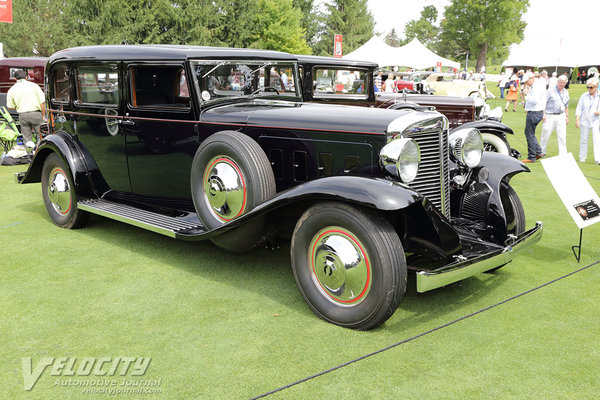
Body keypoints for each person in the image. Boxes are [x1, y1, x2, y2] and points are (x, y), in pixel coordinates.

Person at [6, 70, 46, 149]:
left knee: (27, 139)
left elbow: (10, 107)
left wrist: (20, 105)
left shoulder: (11, 89)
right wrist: (43, 115)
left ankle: (29, 154)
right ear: (27, 77)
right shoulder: (34, 86)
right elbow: (42, 102)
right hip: (36, 114)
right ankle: (39, 153)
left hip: (23, 115)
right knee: (41, 136)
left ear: (15, 78)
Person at [540, 75, 569, 156]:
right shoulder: (550, 91)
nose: (562, 84)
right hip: (550, 115)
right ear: (558, 82)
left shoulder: (566, 92)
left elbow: (566, 105)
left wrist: (567, 116)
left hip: (561, 115)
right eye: (561, 82)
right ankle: (542, 151)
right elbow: (544, 103)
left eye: (564, 83)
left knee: (562, 135)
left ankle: (563, 153)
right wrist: (543, 114)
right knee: (546, 133)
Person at [521, 71, 547, 163]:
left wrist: (527, 94)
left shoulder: (537, 86)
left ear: (531, 78)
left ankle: (531, 156)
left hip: (534, 112)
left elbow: (535, 100)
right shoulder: (537, 85)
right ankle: (538, 152)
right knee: (530, 133)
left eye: (526, 81)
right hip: (536, 112)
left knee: (529, 134)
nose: (526, 83)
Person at [575, 77, 600, 164]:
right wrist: (577, 120)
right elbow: (579, 108)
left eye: (591, 87)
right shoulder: (583, 96)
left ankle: (598, 159)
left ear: (596, 87)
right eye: (587, 87)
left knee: (597, 140)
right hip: (585, 120)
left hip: (596, 121)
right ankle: (582, 158)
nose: (589, 89)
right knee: (584, 140)